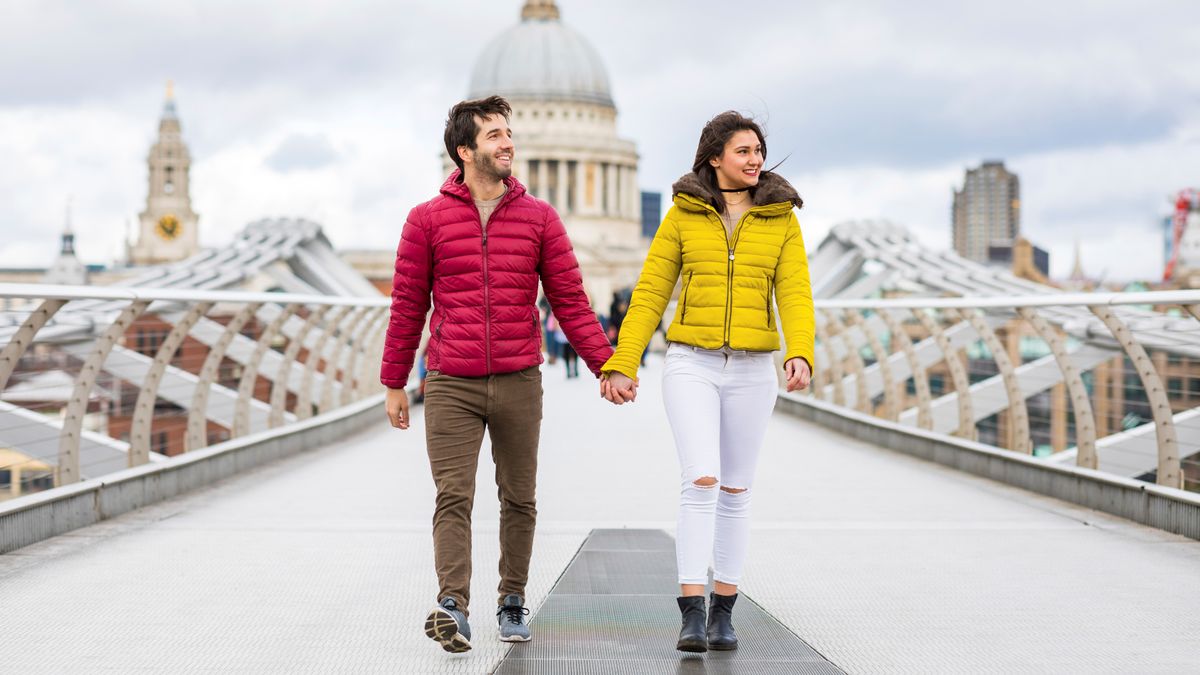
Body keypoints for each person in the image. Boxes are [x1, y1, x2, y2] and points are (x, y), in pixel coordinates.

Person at [381, 96, 613, 653]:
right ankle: (452, 606)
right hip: (450, 382)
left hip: (517, 379)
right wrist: (394, 382)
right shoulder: (426, 220)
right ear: (464, 151)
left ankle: (512, 598)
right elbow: (408, 304)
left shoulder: (540, 218)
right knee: (453, 496)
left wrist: (609, 366)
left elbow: (572, 302)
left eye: (509, 133)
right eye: (494, 135)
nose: (508, 143)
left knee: (520, 497)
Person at [599, 111, 814, 653]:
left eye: (759, 151)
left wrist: (801, 352)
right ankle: (691, 612)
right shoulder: (682, 214)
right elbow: (650, 292)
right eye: (743, 151)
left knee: (737, 489)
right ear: (714, 157)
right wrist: (623, 361)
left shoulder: (782, 219)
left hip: (751, 370)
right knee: (702, 480)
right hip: (691, 362)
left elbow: (794, 292)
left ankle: (725, 611)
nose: (755, 160)